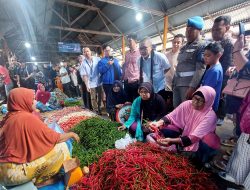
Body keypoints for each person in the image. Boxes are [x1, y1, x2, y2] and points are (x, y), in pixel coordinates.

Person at [0, 88, 79, 186]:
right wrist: (71, 134)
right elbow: (54, 138)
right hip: (13, 174)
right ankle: (41, 182)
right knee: (62, 147)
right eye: (32, 99)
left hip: (3, 172)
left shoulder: (10, 117)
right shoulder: (25, 118)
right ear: (23, 101)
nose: (35, 101)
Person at [147, 86, 220, 163]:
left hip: (199, 141)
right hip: (184, 134)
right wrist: (158, 123)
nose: (195, 102)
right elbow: (171, 117)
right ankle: (179, 146)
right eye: (194, 98)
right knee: (164, 126)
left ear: (208, 102)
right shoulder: (187, 104)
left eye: (200, 101)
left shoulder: (210, 116)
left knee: (210, 140)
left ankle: (200, 159)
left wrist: (171, 141)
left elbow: (194, 138)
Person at [173, 16, 206, 108]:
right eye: (187, 30)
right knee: (177, 110)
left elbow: (200, 69)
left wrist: (192, 87)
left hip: (188, 86)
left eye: (191, 30)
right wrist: (173, 82)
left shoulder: (202, 46)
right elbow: (179, 66)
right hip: (177, 84)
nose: (188, 32)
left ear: (199, 30)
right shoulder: (183, 47)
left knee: (187, 111)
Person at [218, 92, 250, 189]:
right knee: (241, 155)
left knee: (244, 159)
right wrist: (239, 114)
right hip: (247, 128)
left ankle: (239, 184)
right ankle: (235, 180)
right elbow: (246, 102)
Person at [212, 15, 234, 125]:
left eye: (218, 29)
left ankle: (219, 117)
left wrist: (220, 85)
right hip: (216, 77)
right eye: (213, 29)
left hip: (222, 80)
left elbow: (227, 67)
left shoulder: (229, 43)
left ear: (227, 28)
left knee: (219, 99)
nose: (215, 32)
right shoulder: (216, 43)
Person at [165, 34, 185, 112]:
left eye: (178, 42)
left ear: (182, 44)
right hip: (166, 84)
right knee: (166, 104)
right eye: (174, 42)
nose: (176, 44)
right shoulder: (166, 55)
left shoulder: (182, 56)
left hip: (177, 84)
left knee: (175, 105)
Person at [201, 42, 223, 112]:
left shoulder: (215, 71)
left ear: (218, 55)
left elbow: (206, 91)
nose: (205, 58)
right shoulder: (213, 67)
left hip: (208, 105)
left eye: (208, 56)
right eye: (204, 55)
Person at [81, 47, 102, 113]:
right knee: (93, 98)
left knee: (100, 97)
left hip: (99, 81)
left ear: (90, 52)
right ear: (83, 54)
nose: (86, 53)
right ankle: (96, 110)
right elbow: (84, 75)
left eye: (87, 51)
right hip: (91, 83)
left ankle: (100, 108)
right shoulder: (83, 63)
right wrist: (87, 85)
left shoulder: (97, 59)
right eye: (85, 52)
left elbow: (102, 68)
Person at [122, 34, 140, 102]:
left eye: (130, 41)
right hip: (126, 80)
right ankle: (129, 112)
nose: (128, 43)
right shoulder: (127, 53)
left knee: (136, 100)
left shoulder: (139, 53)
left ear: (135, 41)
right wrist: (123, 76)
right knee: (127, 100)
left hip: (135, 81)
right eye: (128, 41)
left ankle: (135, 113)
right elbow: (126, 66)